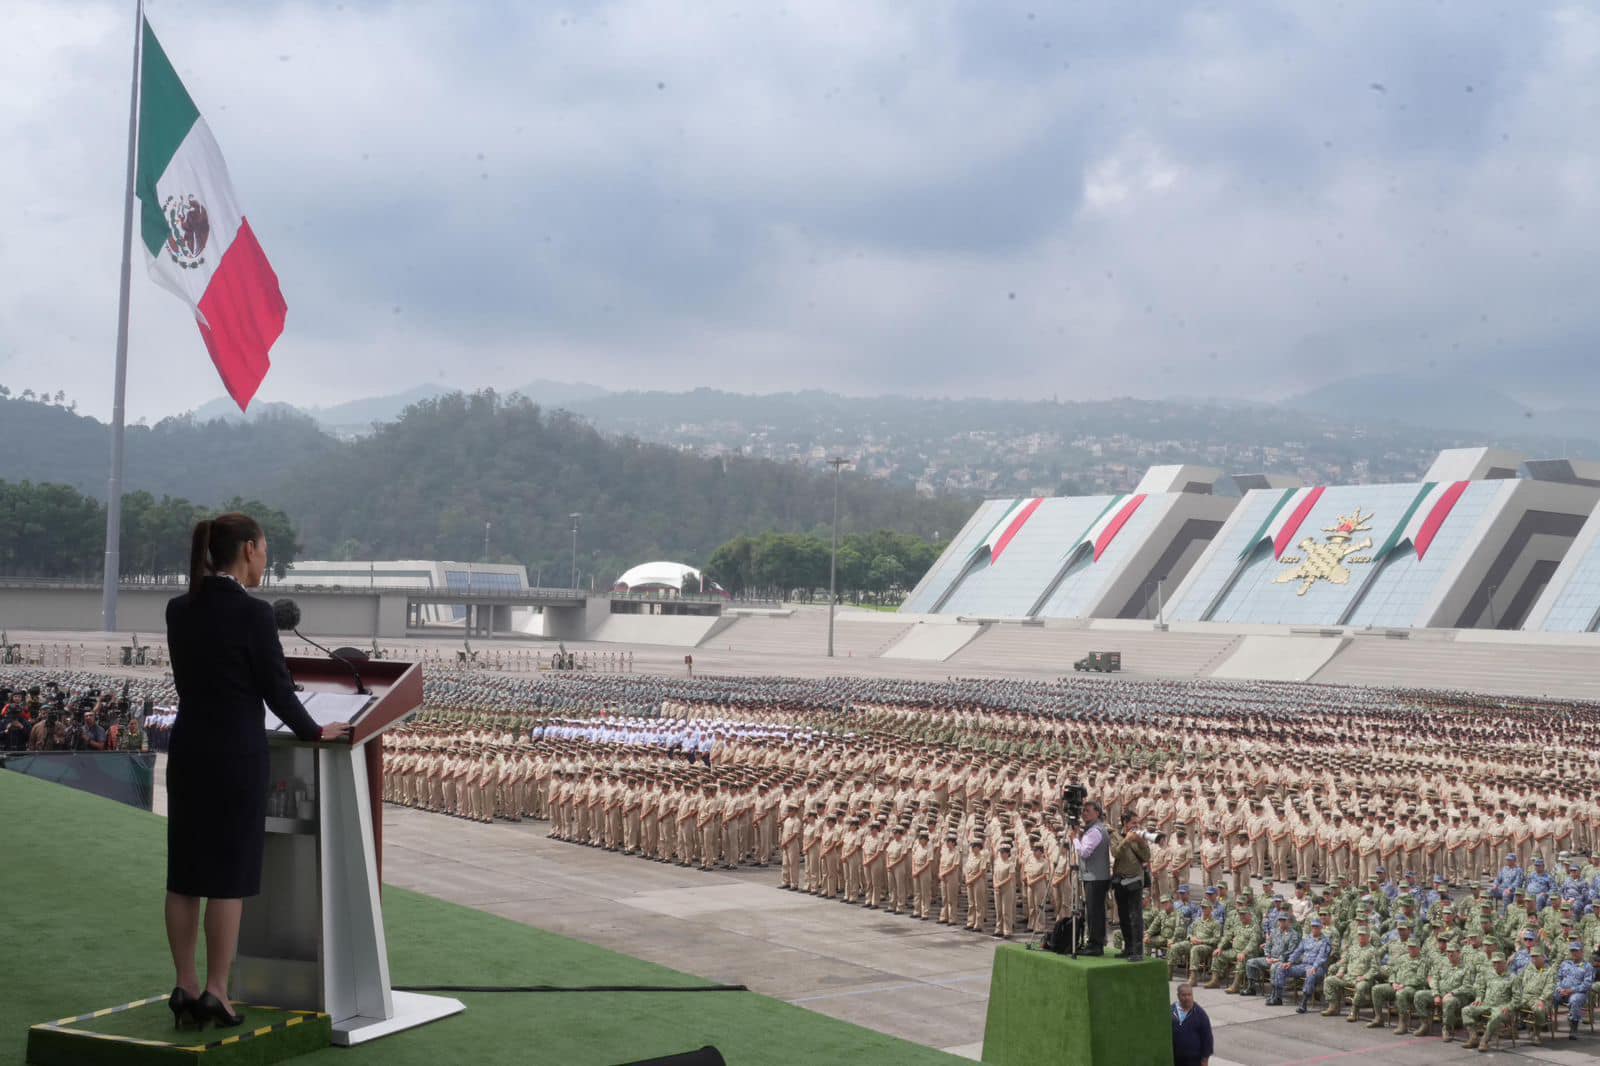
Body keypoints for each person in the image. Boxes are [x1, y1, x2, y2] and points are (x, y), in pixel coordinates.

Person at [164, 513, 353, 1031]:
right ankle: (218, 992)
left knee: (184, 876)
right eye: (265, 549)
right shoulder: (254, 615)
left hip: (188, 751)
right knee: (227, 877)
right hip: (234, 756)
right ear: (248, 549)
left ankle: (184, 985)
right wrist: (317, 731)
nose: (266, 559)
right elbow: (277, 690)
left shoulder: (178, 609)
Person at [1072, 800, 1112, 955]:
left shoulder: (1095, 831)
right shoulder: (1093, 829)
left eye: (1088, 810)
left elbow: (1084, 852)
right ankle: (1095, 942)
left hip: (1095, 878)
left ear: (1097, 813)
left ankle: (1095, 944)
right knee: (1095, 911)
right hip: (1094, 876)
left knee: (1095, 912)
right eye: (1083, 811)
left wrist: (1075, 839)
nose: (1084, 813)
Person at [1113, 819, 1152, 961]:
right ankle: (1128, 947)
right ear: (1125, 824)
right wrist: (1127, 840)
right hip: (1120, 881)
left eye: (1137, 823)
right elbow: (1116, 853)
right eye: (1132, 823)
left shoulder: (1140, 838)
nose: (1136, 826)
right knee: (1123, 916)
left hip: (1135, 882)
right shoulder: (1116, 836)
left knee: (1136, 917)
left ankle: (1138, 951)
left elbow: (1147, 857)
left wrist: (1141, 842)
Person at [1171, 983, 1213, 1066]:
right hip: (1175, 1059)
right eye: (1184, 995)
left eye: (1189, 995)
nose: (1187, 998)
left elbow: (1207, 1038)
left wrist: (1205, 1059)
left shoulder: (1200, 1014)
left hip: (1193, 1060)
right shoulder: (1171, 1011)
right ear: (1178, 995)